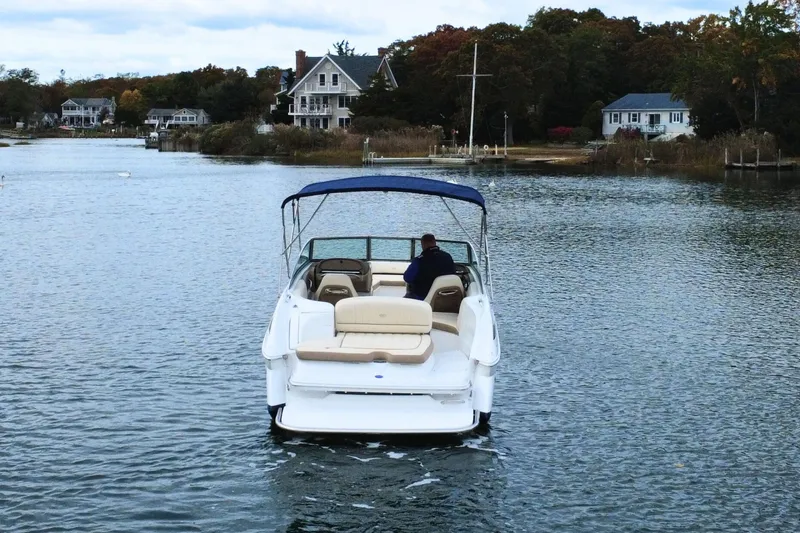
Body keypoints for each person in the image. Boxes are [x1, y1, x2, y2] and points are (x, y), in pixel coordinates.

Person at [403, 233, 456, 299]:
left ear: (423, 244)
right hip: (445, 295)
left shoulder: (419, 260)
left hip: (423, 297)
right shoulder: (448, 257)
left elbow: (407, 278)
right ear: (434, 242)